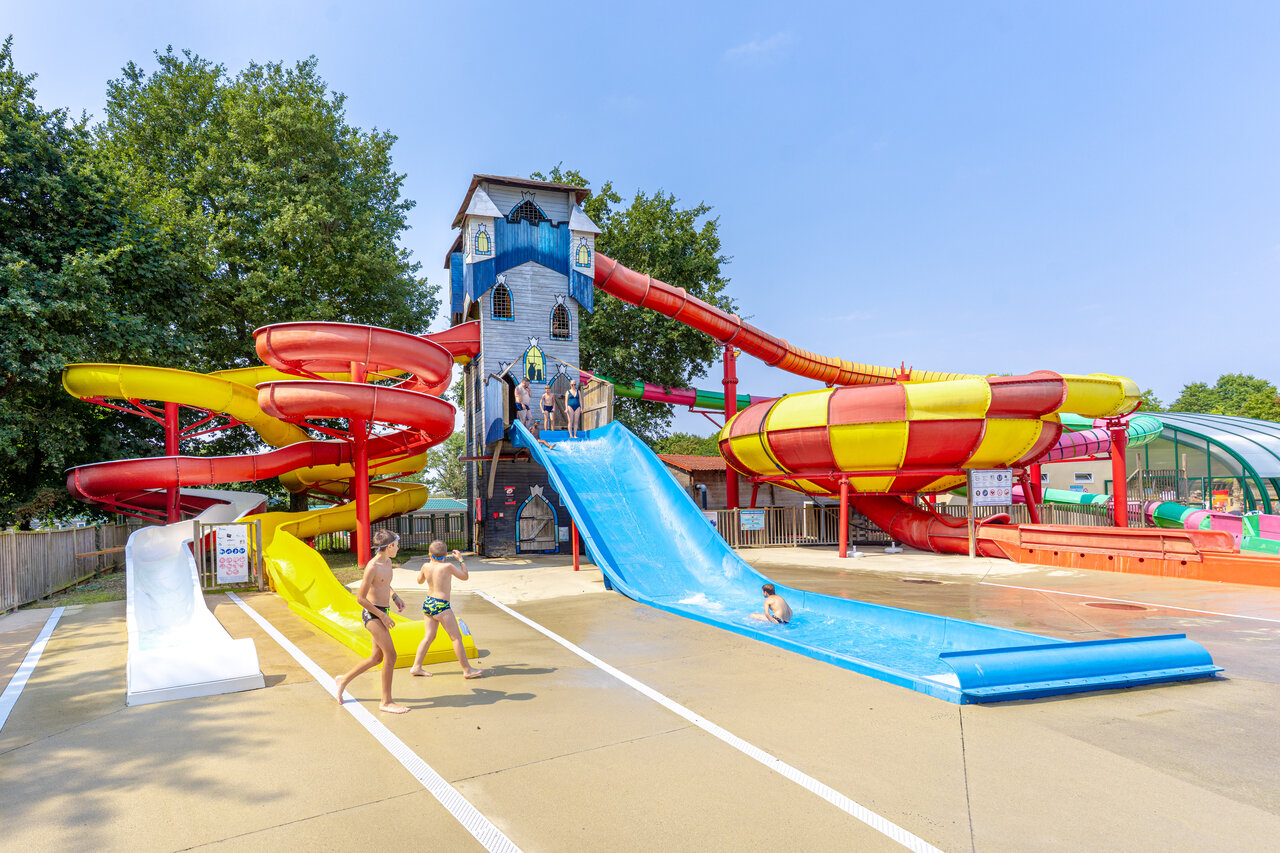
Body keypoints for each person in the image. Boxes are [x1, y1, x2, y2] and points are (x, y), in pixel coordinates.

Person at [335, 530, 409, 714]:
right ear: (389, 546)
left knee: (377, 657)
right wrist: (382, 616)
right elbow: (360, 598)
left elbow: (384, 584)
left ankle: (343, 680)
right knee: (391, 655)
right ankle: (386, 702)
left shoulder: (388, 562)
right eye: (397, 545)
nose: (398, 548)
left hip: (383, 611)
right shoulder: (372, 567)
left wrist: (395, 597)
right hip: (372, 614)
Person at [410, 541, 484, 679]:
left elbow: (419, 581)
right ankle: (467, 670)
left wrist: (428, 570)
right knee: (456, 638)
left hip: (428, 603)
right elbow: (465, 576)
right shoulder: (448, 566)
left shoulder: (425, 566)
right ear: (445, 555)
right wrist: (461, 560)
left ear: (429, 554)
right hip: (441, 605)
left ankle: (416, 667)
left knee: (429, 637)